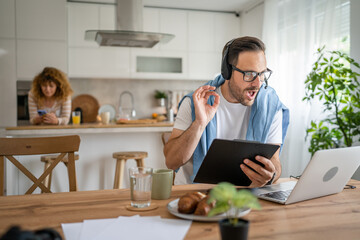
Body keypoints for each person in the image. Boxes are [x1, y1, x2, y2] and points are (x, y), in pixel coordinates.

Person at [164, 36, 290, 187]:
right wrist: (199, 123)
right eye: (249, 74)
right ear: (227, 72)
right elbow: (171, 162)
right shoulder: (194, 102)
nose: (258, 83)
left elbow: (274, 161)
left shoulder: (271, 105)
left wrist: (272, 174)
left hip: (243, 195)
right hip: (194, 193)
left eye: (262, 73)